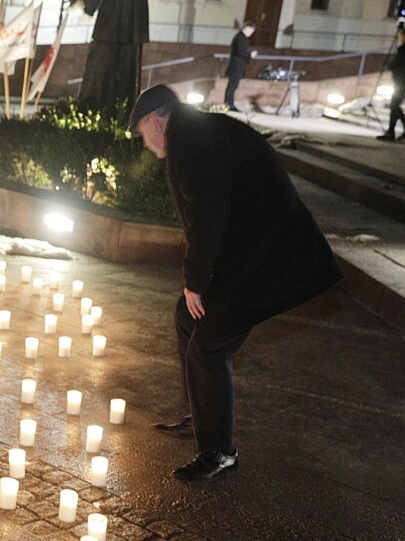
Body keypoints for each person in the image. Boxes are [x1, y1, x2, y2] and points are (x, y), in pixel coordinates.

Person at [128, 85, 343, 481]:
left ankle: (219, 452)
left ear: (158, 119)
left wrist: (195, 280)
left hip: (267, 259)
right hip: (251, 254)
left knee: (209, 346)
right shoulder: (198, 130)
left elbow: (206, 214)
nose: (145, 143)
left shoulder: (190, 139)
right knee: (187, 318)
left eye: (142, 131)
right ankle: (204, 417)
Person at [224, 22, 257, 112]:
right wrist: (250, 55)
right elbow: (240, 52)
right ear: (246, 28)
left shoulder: (240, 37)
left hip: (237, 65)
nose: (251, 33)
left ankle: (228, 103)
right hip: (236, 65)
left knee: (232, 85)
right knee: (233, 85)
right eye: (251, 31)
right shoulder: (241, 38)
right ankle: (228, 104)